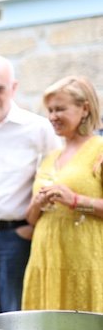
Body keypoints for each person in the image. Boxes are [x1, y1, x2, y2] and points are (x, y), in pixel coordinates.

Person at [0, 55, 60, 313]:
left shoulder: (38, 128)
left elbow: (56, 177)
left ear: (14, 88)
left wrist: (33, 226)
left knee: (15, 313)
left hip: (17, 237)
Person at [23, 76, 103, 313]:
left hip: (84, 259)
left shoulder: (99, 150)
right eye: (50, 110)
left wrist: (76, 201)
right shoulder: (51, 157)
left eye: (60, 109)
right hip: (45, 259)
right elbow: (31, 219)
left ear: (84, 108)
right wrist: (38, 202)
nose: (53, 116)